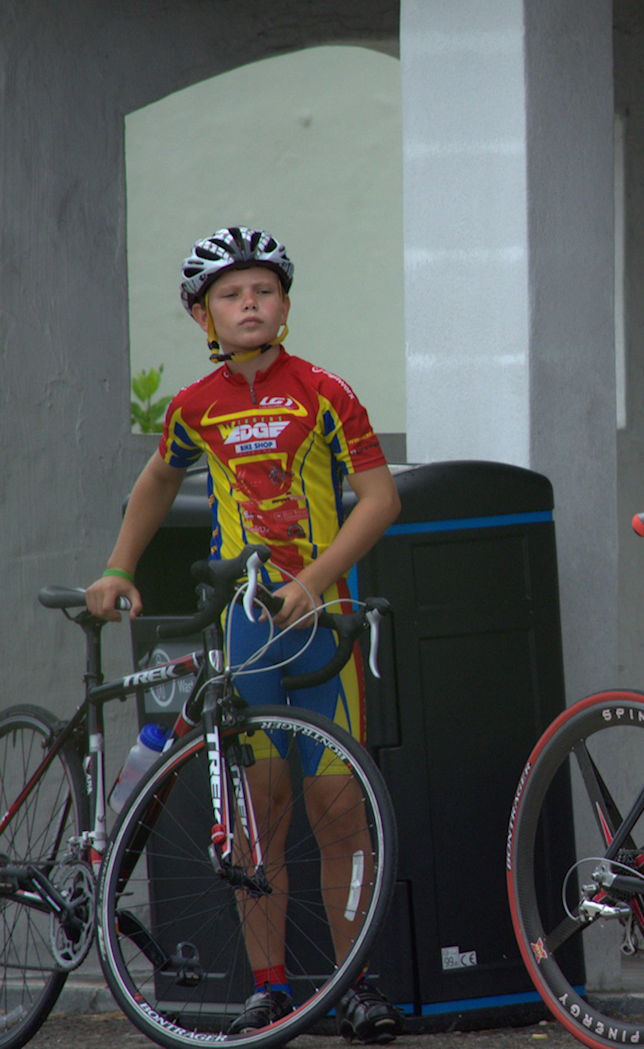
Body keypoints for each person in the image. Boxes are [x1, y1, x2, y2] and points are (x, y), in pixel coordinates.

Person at [85, 227, 404, 1045]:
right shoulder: (195, 407)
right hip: (249, 629)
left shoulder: (326, 390)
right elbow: (158, 478)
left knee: (341, 811)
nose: (250, 303)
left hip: (324, 625)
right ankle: (270, 988)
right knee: (259, 816)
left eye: (263, 290)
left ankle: (357, 983)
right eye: (231, 294)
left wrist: (315, 578)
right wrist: (120, 565)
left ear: (286, 306)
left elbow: (379, 499)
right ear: (204, 317)